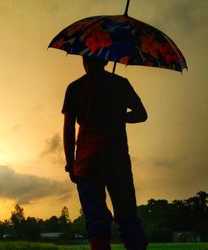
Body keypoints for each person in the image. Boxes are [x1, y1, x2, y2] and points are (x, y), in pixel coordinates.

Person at [62, 56, 148, 250]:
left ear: (84, 61)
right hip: (117, 160)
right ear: (107, 62)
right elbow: (141, 114)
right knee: (127, 216)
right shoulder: (120, 84)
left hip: (86, 161)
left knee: (96, 219)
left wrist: (70, 163)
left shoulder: (75, 87)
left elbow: (68, 129)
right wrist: (118, 116)